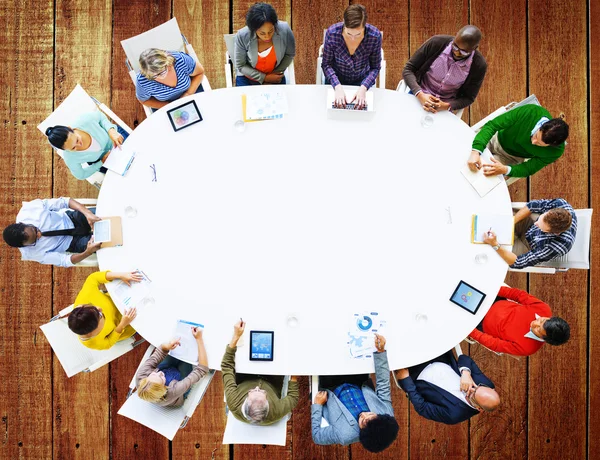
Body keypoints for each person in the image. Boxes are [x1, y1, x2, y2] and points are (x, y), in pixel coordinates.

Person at [312, 334, 399, 453]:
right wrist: (380, 352)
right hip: (357, 380)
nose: (363, 415)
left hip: (331, 386)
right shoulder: (386, 415)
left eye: (363, 422)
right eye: (370, 415)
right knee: (351, 340)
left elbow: (317, 436)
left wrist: (317, 405)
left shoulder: (344, 435)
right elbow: (383, 383)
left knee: (323, 347)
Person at [222, 320, 299, 425]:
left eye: (253, 391)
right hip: (273, 377)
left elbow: (227, 366)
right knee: (281, 340)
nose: (258, 388)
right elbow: (293, 398)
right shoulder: (275, 412)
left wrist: (236, 336)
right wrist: (294, 372)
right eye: (263, 393)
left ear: (246, 401)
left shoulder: (234, 403)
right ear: (267, 405)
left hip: (245, 374)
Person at [395, 348, 499, 425]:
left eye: (473, 394)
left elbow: (422, 408)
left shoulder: (454, 414)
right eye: (477, 387)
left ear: (479, 408)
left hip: (414, 371)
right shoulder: (486, 386)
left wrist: (406, 380)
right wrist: (466, 372)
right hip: (438, 353)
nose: (472, 388)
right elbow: (465, 359)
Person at [402, 25, 487, 114]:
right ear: (456, 36)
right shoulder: (436, 43)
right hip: (419, 93)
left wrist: (447, 106)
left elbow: (469, 97)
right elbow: (408, 69)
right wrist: (419, 94)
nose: (457, 53)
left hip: (444, 106)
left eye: (463, 52)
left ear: (474, 48)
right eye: (455, 46)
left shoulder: (479, 65)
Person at [467, 105, 569, 179]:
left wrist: (506, 170)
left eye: (539, 144)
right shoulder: (530, 112)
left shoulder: (556, 152)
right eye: (536, 136)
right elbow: (492, 125)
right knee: (465, 153)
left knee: (480, 177)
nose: (533, 142)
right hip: (495, 137)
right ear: (542, 125)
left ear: (552, 145)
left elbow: (528, 169)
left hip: (511, 158)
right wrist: (476, 150)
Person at [469, 285, 570, 356]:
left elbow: (495, 344)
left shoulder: (527, 348)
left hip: (479, 323)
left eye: (538, 330)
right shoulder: (544, 309)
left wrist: (470, 331)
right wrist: (491, 290)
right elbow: (517, 294)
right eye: (541, 320)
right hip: (493, 300)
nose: (535, 324)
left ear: (545, 339)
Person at [2, 197, 102, 267]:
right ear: (25, 246)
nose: (39, 234)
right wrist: (87, 252)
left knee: (104, 216)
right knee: (105, 240)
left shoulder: (29, 210)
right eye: (36, 240)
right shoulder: (31, 254)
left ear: (23, 223)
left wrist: (87, 213)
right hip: (73, 243)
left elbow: (65, 202)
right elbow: (65, 261)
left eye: (35, 229)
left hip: (72, 219)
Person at [483, 198, 577, 270]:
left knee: (490, 253)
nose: (536, 224)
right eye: (540, 218)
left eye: (541, 227)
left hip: (528, 246)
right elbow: (532, 205)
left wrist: (495, 245)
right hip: (527, 223)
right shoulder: (561, 204)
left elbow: (517, 263)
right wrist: (511, 223)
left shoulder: (556, 247)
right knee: (494, 216)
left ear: (555, 233)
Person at [322, 4, 382, 109]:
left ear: (364, 26)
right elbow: (327, 64)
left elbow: (375, 67)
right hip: (335, 80)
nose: (353, 39)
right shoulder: (332, 33)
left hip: (363, 81)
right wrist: (337, 86)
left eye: (358, 34)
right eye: (349, 34)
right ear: (344, 25)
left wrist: (364, 88)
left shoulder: (374, 36)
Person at [68, 270, 142, 350]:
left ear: (82, 306)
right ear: (94, 333)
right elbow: (109, 343)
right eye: (100, 315)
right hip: (130, 324)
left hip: (123, 297)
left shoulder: (85, 297)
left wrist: (120, 275)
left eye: (94, 307)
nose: (100, 308)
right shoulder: (92, 342)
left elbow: (93, 278)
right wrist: (122, 324)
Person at [44, 111, 128, 180]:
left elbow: (100, 116)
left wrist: (111, 130)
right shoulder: (70, 158)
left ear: (71, 128)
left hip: (115, 137)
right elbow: (80, 175)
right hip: (104, 160)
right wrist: (100, 162)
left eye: (77, 139)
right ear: (65, 149)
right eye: (73, 148)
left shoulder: (84, 120)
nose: (79, 145)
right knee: (125, 178)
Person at [136, 328, 209, 407]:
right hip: (177, 387)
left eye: (153, 374)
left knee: (178, 351)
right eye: (161, 377)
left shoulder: (141, 375)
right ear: (165, 387)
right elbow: (202, 369)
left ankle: (164, 376)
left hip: (167, 376)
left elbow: (160, 351)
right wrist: (199, 339)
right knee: (189, 359)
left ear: (145, 378)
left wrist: (167, 346)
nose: (160, 373)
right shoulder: (173, 391)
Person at [234, 3, 296, 86]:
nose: (267, 37)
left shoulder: (285, 30)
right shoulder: (242, 36)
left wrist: (273, 77)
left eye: (271, 31)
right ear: (254, 30)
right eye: (262, 33)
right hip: (248, 78)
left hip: (275, 76)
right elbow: (241, 65)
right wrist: (264, 78)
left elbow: (289, 54)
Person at [136, 48, 205, 111]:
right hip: (166, 105)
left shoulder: (180, 59)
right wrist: (169, 106)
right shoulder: (142, 80)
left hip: (192, 92)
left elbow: (200, 72)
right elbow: (143, 100)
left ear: (167, 63)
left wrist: (188, 94)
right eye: (153, 76)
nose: (159, 77)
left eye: (162, 72)